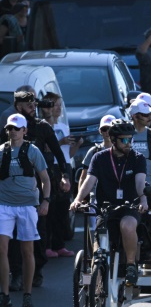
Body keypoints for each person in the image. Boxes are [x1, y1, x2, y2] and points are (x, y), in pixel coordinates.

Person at [0, 90, 69, 290]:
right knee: (13, 237)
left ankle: (36, 270)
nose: (33, 107)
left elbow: (59, 154)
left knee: (38, 233)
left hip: (38, 190)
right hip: (11, 192)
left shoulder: (42, 127)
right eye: (28, 104)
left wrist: (64, 176)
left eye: (34, 104)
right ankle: (16, 273)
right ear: (18, 106)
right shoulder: (9, 129)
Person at [70, 122, 151, 288]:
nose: (129, 144)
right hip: (106, 208)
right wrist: (78, 199)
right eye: (124, 140)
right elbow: (89, 181)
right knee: (99, 240)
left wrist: (143, 199)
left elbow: (140, 182)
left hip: (130, 206)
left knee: (127, 225)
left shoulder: (137, 158)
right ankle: (97, 276)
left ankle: (130, 266)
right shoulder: (99, 158)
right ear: (113, 140)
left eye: (131, 140)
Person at [0, 114, 51, 307]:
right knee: (2, 249)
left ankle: (27, 294)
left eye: (16, 128)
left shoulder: (33, 151)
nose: (12, 131)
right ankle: (5, 295)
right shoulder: (1, 151)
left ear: (24, 131)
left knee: (27, 250)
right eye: (9, 128)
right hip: (4, 205)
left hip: (27, 205)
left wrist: (46, 201)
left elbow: (45, 179)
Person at [38, 92, 76, 259]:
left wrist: (76, 144)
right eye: (56, 105)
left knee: (62, 208)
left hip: (64, 166)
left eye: (60, 105)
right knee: (50, 209)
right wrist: (60, 142)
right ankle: (47, 246)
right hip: (50, 167)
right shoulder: (42, 126)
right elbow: (46, 148)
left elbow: (69, 153)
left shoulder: (62, 126)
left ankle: (59, 245)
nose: (59, 108)